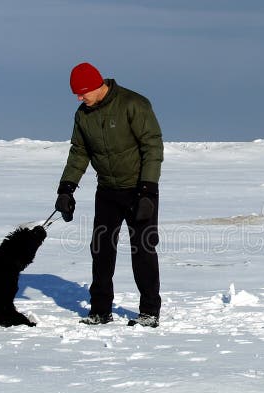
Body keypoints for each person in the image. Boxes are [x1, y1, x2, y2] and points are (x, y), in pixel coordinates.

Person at [55, 62, 163, 328]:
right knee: (101, 250)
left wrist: (148, 190)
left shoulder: (133, 104)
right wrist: (66, 188)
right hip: (107, 191)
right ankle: (100, 310)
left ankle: (149, 312)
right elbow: (79, 153)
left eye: (82, 93)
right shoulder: (84, 115)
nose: (80, 99)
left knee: (144, 250)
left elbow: (152, 146)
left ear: (95, 85)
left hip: (139, 190)